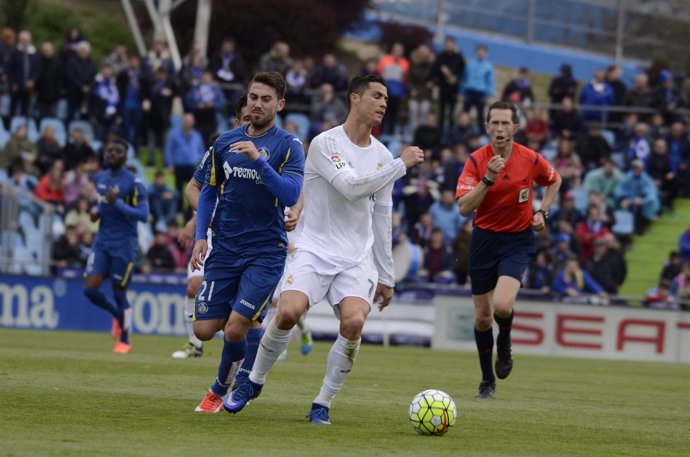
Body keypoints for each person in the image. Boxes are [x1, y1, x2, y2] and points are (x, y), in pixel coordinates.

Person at [223, 73, 425, 424]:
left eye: (386, 99)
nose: (383, 104)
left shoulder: (381, 156)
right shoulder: (324, 144)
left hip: (356, 257)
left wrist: (387, 275)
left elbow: (382, 215)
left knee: (354, 323)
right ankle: (253, 380)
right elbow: (350, 187)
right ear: (354, 99)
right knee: (288, 312)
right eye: (376, 96)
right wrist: (400, 166)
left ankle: (322, 402)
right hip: (313, 247)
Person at [190, 72, 305, 413]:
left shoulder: (289, 146)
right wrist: (200, 236)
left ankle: (224, 386)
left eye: (266, 99)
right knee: (203, 330)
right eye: (253, 96)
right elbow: (208, 190)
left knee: (237, 326)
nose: (257, 103)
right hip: (224, 248)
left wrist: (259, 160)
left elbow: (290, 193)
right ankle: (239, 372)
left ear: (279, 105)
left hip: (264, 252)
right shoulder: (225, 141)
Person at [456, 100, 562, 399]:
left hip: (517, 239)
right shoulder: (476, 161)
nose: (500, 129)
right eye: (495, 123)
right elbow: (464, 208)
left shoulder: (530, 158)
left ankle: (505, 341)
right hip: (484, 240)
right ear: (487, 127)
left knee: (502, 305)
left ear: (515, 127)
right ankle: (486, 380)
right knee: (481, 317)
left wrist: (543, 212)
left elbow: (555, 181)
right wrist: (488, 178)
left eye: (506, 123)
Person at [171, 95, 251, 360]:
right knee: (193, 287)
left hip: (249, 241)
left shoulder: (270, 152)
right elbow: (202, 192)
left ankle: (245, 373)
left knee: (241, 315)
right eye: (246, 118)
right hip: (214, 236)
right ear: (237, 121)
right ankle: (195, 344)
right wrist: (198, 225)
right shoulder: (221, 149)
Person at [83, 137, 149, 354]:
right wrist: (96, 212)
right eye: (109, 151)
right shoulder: (100, 177)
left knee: (119, 292)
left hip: (124, 243)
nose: (111, 154)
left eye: (117, 152)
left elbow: (144, 215)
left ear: (124, 156)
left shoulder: (134, 182)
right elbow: (102, 205)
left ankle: (125, 339)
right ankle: (116, 315)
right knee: (90, 289)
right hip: (102, 240)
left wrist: (118, 203)